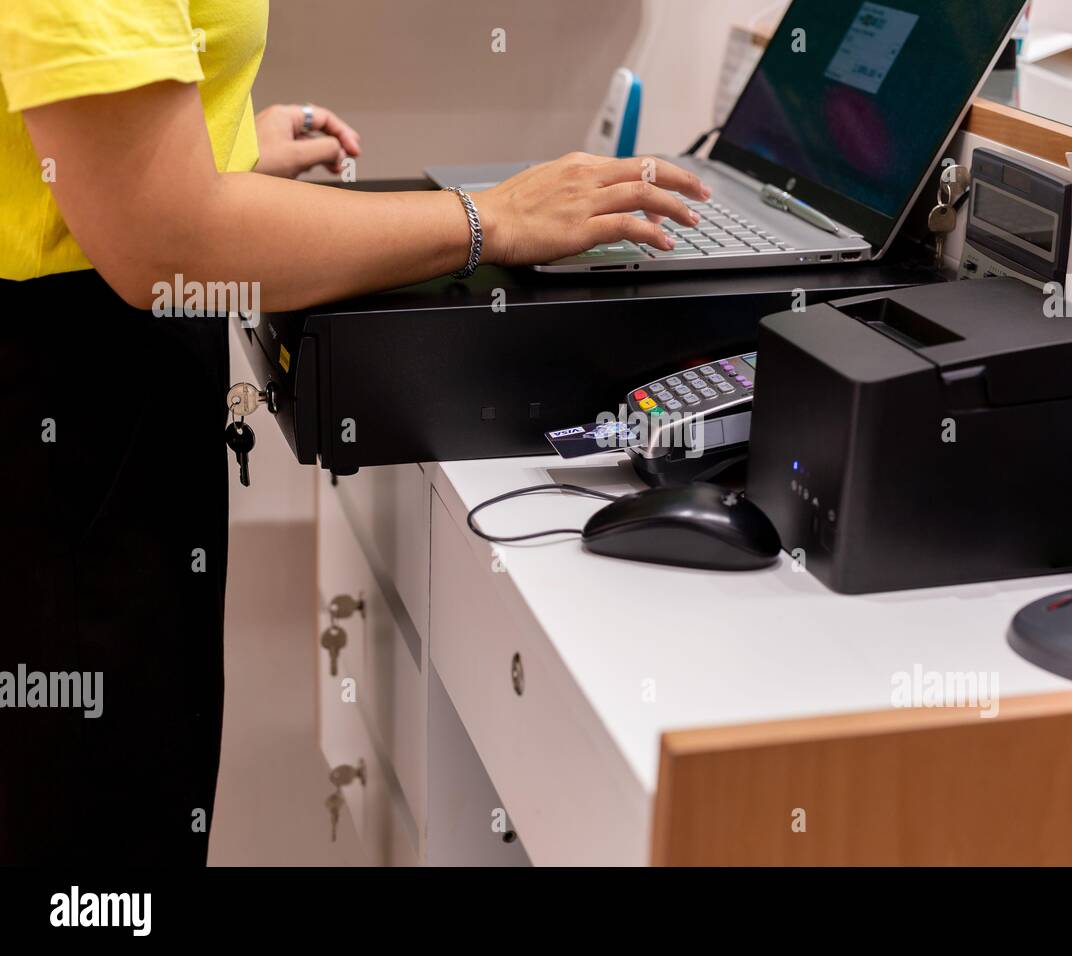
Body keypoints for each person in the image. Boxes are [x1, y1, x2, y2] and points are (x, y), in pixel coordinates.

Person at [0, 0, 708, 865]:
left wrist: (207, 147)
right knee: (95, 843)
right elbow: (166, 241)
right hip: (63, 409)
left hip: (100, 381)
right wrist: (488, 218)